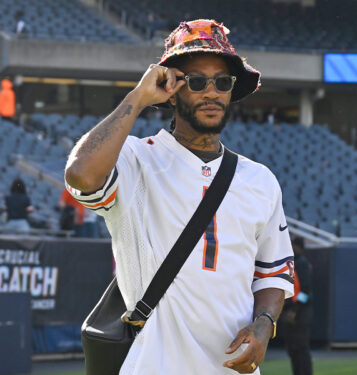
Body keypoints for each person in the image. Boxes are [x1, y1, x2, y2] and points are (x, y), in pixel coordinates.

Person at [64, 19, 294, 375]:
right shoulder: (135, 159)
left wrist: (265, 323)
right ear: (171, 88)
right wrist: (138, 96)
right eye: (197, 82)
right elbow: (80, 174)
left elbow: (273, 274)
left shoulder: (260, 180)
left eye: (222, 82)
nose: (212, 92)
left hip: (232, 368)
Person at [282, 237, 313, 375]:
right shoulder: (294, 263)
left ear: (298, 247)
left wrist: (295, 310)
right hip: (292, 310)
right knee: (292, 347)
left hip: (301, 312)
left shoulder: (302, 264)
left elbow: (306, 291)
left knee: (301, 346)